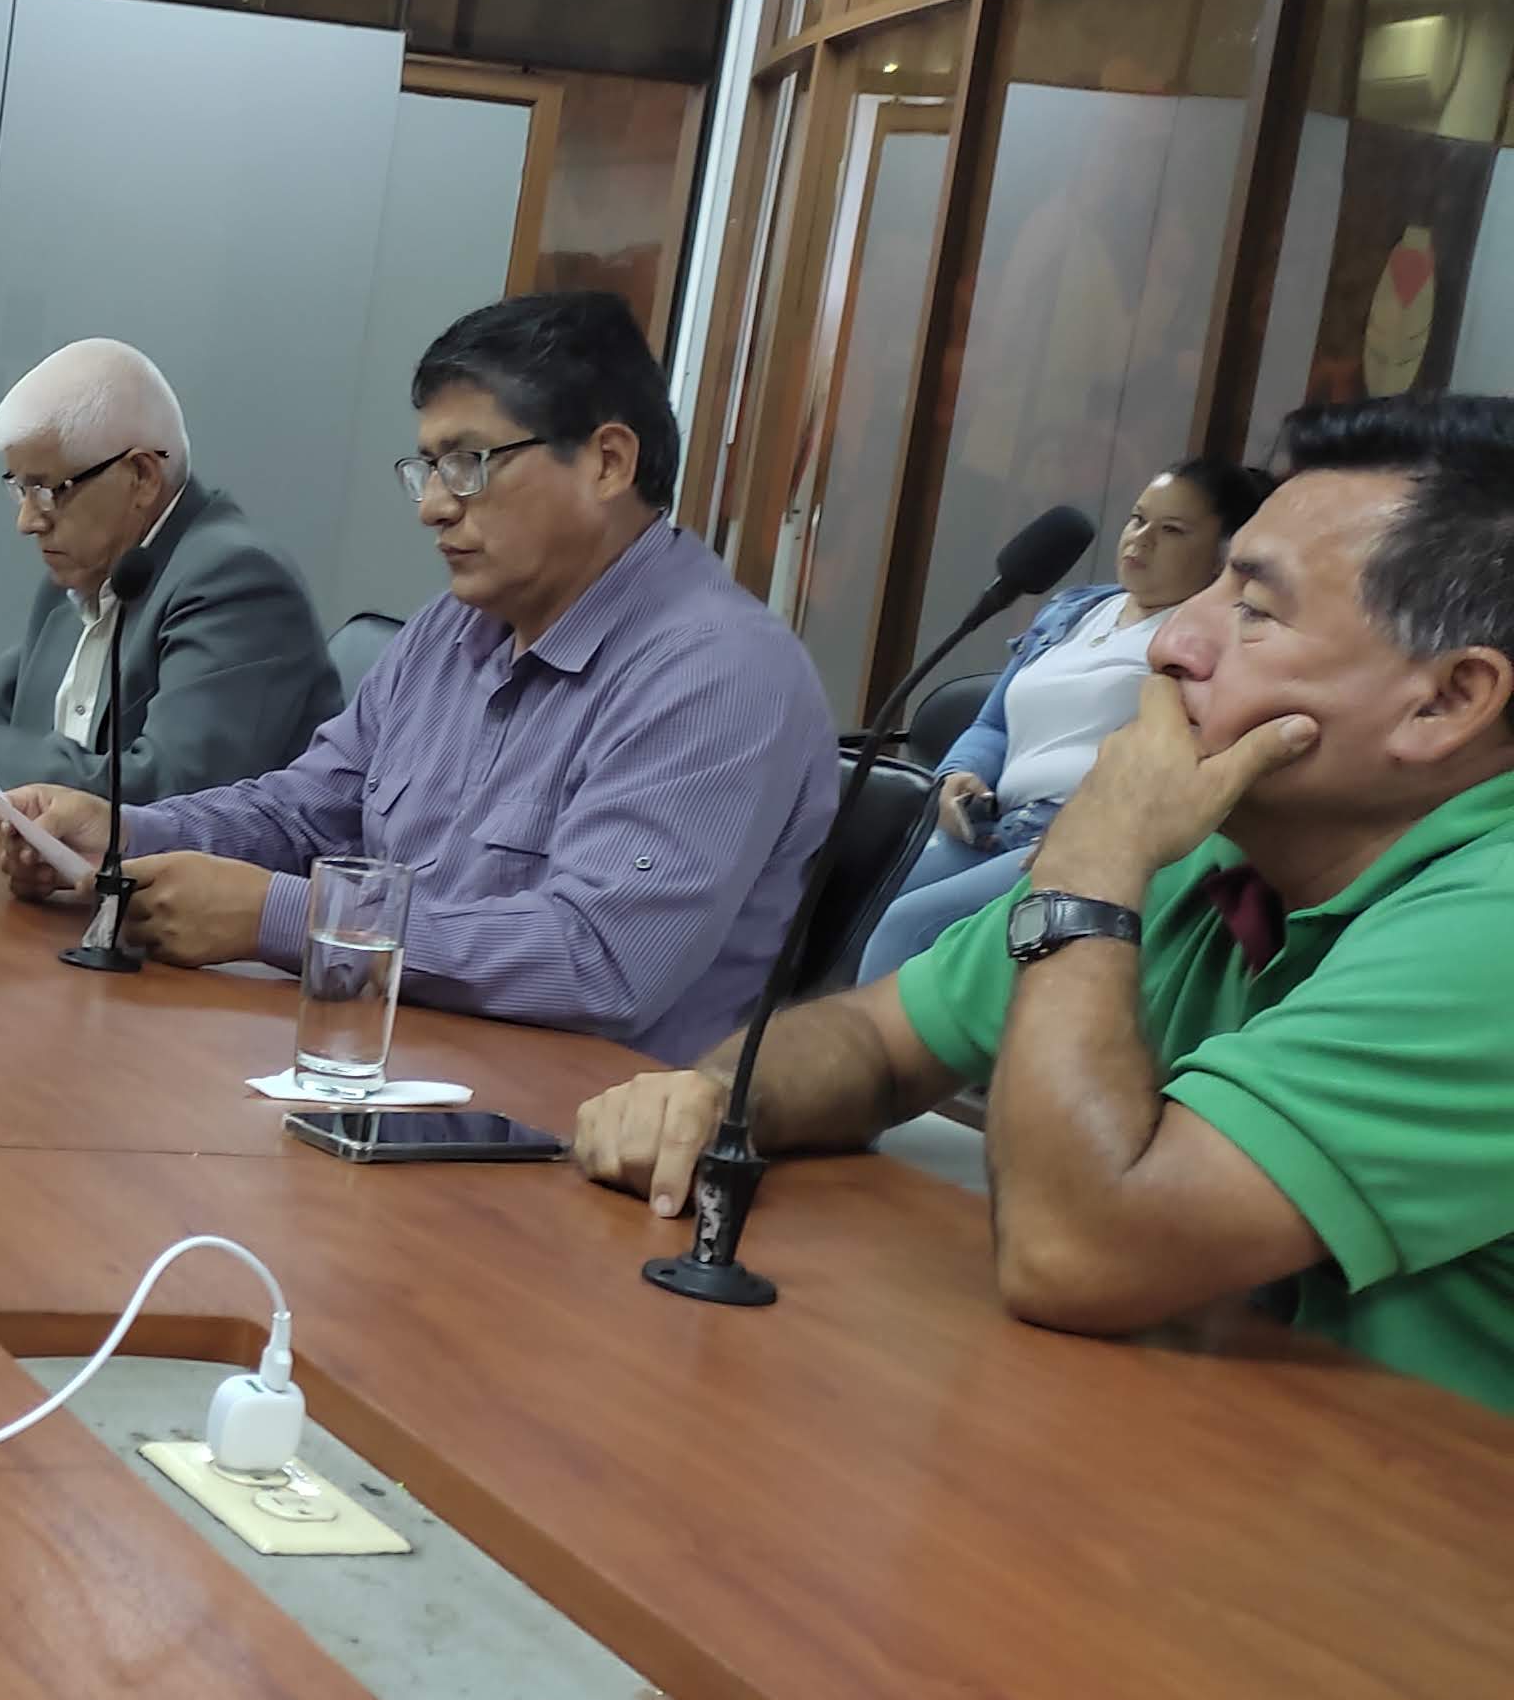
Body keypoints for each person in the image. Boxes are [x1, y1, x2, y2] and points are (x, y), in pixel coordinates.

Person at [577, 394, 1514, 1416]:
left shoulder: (1490, 933)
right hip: (1191, 1443)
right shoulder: (1219, 844)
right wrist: (715, 1097)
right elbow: (876, 1041)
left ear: (1448, 700)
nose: (1169, 643)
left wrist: (1093, 863)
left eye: (1253, 609)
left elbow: (1076, 1252)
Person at [0, 292, 833, 1063]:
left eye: (468, 463)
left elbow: (599, 961)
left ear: (608, 463)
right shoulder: (454, 629)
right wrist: (129, 834)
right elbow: (307, 814)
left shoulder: (718, 673)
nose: (434, 504)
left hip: (562, 1122)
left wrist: (281, 919)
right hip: (385, 1061)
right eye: (428, 467)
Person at [0, 337, 334, 800]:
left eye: (47, 490)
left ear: (141, 476)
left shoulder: (236, 582)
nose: (27, 521)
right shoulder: (88, 569)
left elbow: (172, 788)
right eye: (20, 489)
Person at [858, 457, 1264, 979]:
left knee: (906, 926)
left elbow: (1189, 763)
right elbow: (993, 725)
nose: (1140, 540)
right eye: (1137, 519)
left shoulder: (1204, 642)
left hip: (1072, 840)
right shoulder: (1073, 610)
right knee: (861, 899)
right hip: (988, 823)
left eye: (1172, 530)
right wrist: (958, 773)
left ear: (1224, 554)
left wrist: (1092, 830)